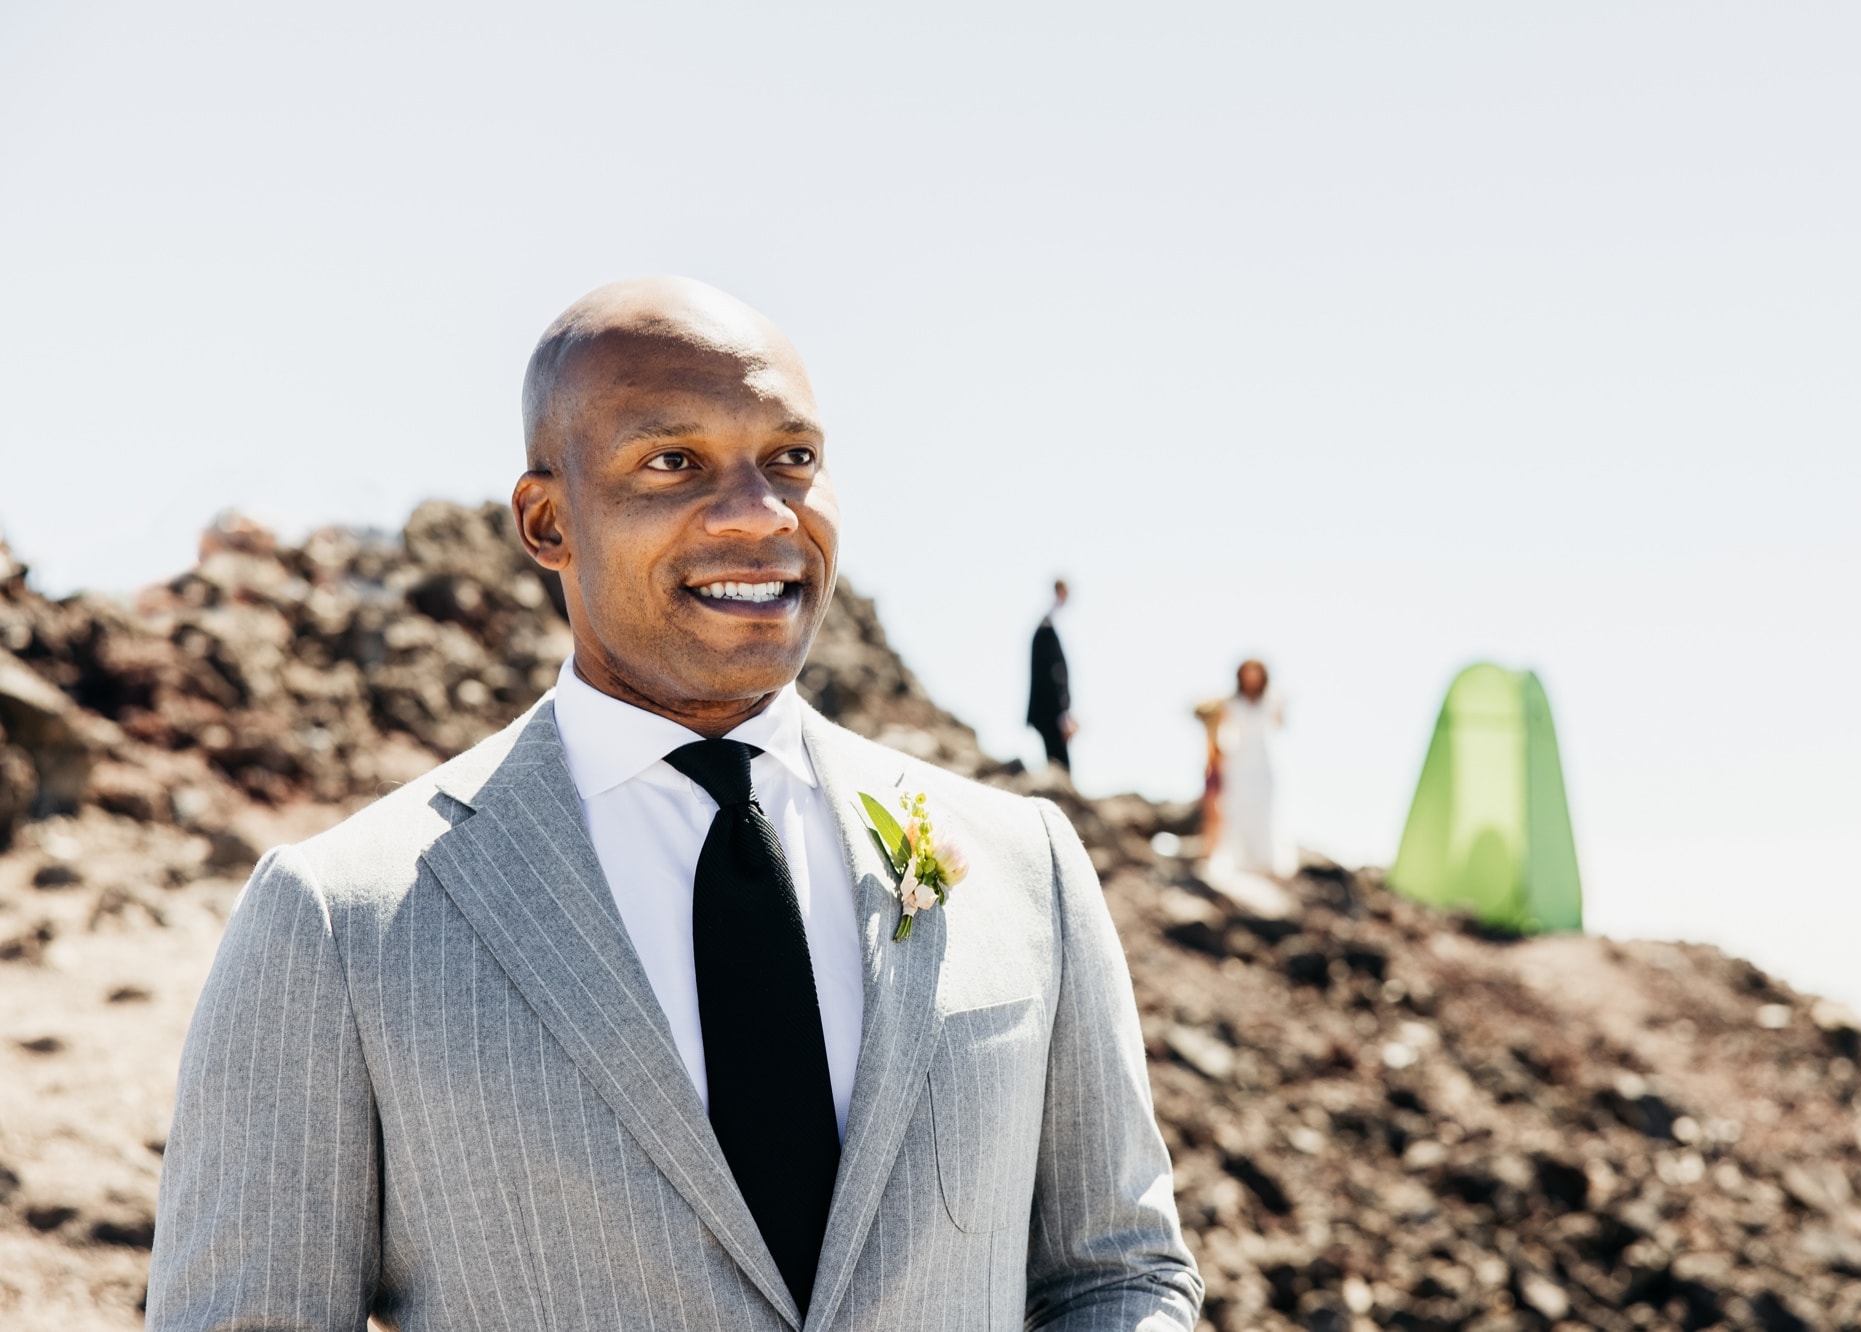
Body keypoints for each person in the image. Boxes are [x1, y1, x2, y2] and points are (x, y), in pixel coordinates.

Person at [146, 277, 1201, 1330]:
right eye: (672, 462)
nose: (760, 513)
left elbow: (1115, 1273)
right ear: (547, 519)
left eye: (791, 458)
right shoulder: (337, 922)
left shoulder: (1027, 865)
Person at [1205, 658, 1296, 879]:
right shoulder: (1229, 701)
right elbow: (1213, 720)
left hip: (1263, 758)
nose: (1251, 676)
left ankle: (1263, 858)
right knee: (1236, 805)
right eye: (1248, 672)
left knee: (1263, 806)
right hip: (1238, 759)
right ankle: (1238, 857)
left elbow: (1280, 725)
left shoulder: (1272, 699)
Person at [1026, 577, 1076, 769]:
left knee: (1058, 764)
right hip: (1050, 714)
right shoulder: (1045, 631)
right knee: (1060, 766)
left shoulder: (1046, 628)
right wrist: (1062, 715)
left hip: (1051, 714)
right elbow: (1054, 675)